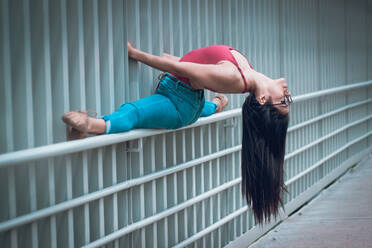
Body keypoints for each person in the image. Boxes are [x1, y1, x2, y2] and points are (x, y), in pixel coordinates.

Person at [62, 43, 292, 224]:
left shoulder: (234, 77)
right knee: (202, 108)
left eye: (284, 101)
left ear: (263, 100)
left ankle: (89, 125)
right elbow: (195, 63)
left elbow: (181, 70)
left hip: (177, 102)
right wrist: (173, 58)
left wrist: (136, 53)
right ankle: (217, 105)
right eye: (288, 100)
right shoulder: (245, 72)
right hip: (190, 100)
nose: (287, 93)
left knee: (134, 113)